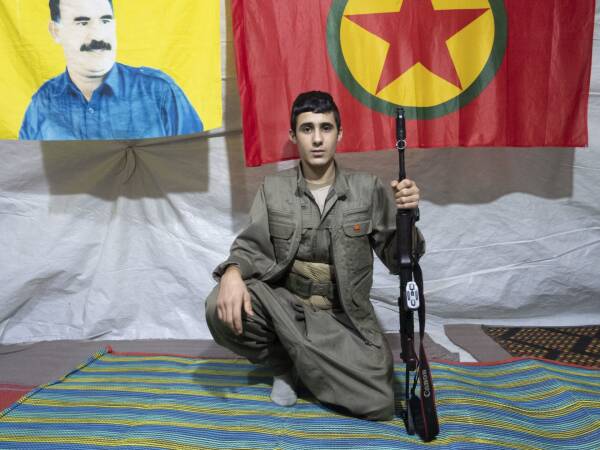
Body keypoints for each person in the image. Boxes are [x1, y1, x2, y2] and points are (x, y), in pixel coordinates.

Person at [205, 91, 423, 420]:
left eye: (326, 128)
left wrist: (407, 215)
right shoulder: (273, 189)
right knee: (218, 306)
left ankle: (305, 365)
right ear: (294, 136)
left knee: (378, 404)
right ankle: (284, 365)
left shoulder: (368, 189)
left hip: (344, 320)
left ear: (339, 134)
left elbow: (400, 260)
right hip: (288, 313)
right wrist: (232, 272)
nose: (317, 139)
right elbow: (251, 247)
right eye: (307, 129)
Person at [19, 0, 203, 140]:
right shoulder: (43, 103)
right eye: (82, 22)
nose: (97, 36)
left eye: (105, 20)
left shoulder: (159, 92)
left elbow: (194, 166)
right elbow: (26, 173)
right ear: (56, 31)